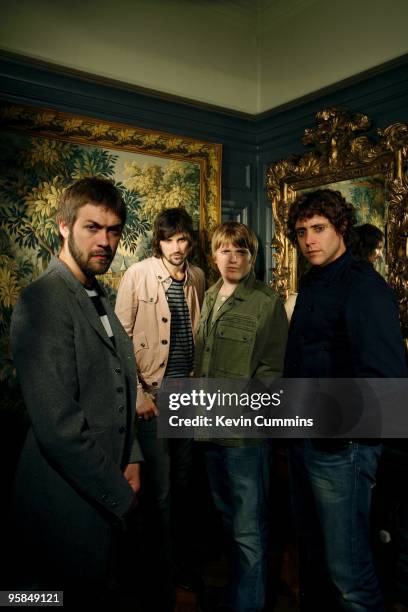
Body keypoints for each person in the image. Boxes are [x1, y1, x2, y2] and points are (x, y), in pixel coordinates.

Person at [11, 177, 143, 604]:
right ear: (64, 226)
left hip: (104, 482)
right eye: (93, 227)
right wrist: (118, 491)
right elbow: (57, 425)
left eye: (114, 230)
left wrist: (135, 458)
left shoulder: (98, 293)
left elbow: (121, 385)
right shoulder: (43, 299)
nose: (105, 241)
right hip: (66, 493)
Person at [284, 189, 407, 611]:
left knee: (350, 575)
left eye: (318, 229)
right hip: (307, 440)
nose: (309, 240)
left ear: (340, 228)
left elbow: (389, 382)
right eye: (301, 232)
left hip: (342, 449)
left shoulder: (363, 286)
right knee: (317, 563)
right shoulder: (314, 281)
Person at [194, 221, 288, 612]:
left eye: (242, 251)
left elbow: (273, 372)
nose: (233, 258)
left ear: (252, 257)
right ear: (214, 255)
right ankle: (239, 599)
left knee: (249, 531)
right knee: (228, 524)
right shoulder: (210, 294)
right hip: (208, 432)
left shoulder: (266, 302)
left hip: (245, 439)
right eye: (225, 250)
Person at [115, 207, 205, 610]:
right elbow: (119, 339)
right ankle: (159, 577)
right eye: (170, 239)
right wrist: (137, 392)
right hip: (153, 395)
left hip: (190, 392)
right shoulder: (137, 274)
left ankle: (183, 567)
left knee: (186, 487)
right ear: (159, 241)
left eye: (183, 239)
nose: (177, 247)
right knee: (161, 492)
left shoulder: (199, 276)